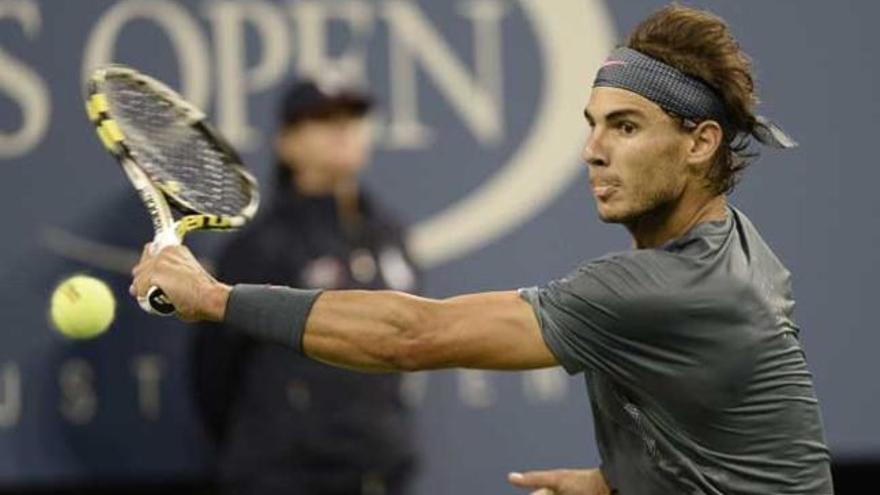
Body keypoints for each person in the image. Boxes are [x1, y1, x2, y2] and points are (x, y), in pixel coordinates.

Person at [132, 5, 834, 494]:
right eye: (592, 125)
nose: (592, 151)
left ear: (700, 142)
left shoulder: (659, 287)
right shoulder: (742, 250)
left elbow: (410, 336)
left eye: (625, 126)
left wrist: (217, 299)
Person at [191, 77, 420, 494]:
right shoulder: (259, 246)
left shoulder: (391, 235)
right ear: (287, 143)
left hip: (380, 471)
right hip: (286, 477)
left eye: (353, 116)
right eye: (322, 118)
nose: (342, 129)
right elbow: (214, 372)